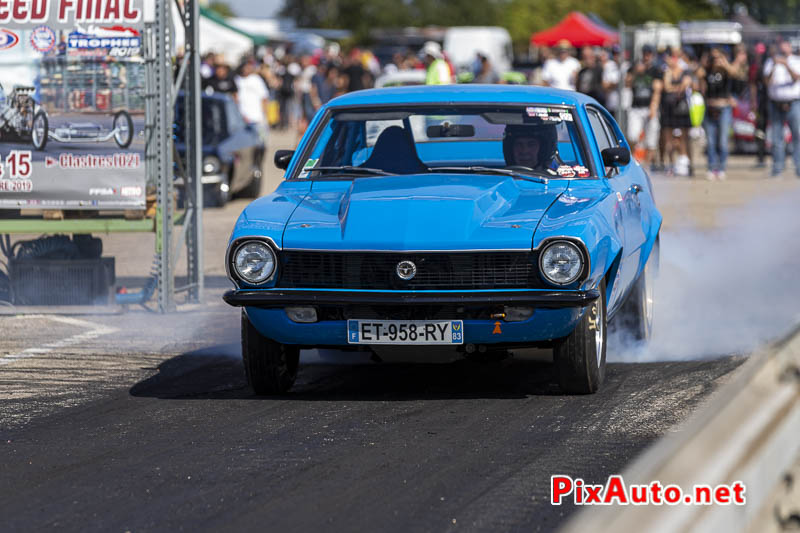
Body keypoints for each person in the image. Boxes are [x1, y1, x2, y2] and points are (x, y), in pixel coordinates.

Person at [698, 47, 746, 180]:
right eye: (714, 58)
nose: (716, 61)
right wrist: (705, 62)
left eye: (719, 57)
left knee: (723, 141)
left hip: (724, 109)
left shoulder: (727, 71)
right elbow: (698, 75)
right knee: (711, 141)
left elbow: (735, 72)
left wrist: (724, 62)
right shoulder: (707, 71)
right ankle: (711, 167)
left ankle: (721, 168)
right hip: (710, 108)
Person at [763, 40, 800, 177]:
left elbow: (796, 78)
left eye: (785, 46)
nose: (782, 49)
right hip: (776, 103)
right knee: (776, 136)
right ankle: (778, 167)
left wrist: (786, 65)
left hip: (794, 103)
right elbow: (766, 81)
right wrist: (774, 65)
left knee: (797, 135)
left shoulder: (796, 61)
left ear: (790, 47)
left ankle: (799, 167)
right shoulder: (770, 62)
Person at [626, 45, 663, 168]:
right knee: (632, 135)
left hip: (649, 106)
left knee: (651, 139)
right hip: (636, 107)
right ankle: (631, 162)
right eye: (645, 53)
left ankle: (646, 166)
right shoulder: (634, 67)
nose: (647, 56)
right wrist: (636, 72)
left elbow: (658, 89)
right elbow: (627, 83)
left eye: (649, 53)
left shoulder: (656, 70)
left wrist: (654, 106)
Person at [660, 49, 694, 176]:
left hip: (681, 108)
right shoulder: (666, 71)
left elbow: (684, 86)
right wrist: (676, 87)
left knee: (684, 138)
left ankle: (685, 162)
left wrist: (676, 88)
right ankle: (670, 164)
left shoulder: (684, 70)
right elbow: (666, 87)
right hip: (668, 108)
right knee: (668, 138)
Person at [235, 59, 270, 146]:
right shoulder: (237, 80)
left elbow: (264, 97)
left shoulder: (256, 79)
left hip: (257, 117)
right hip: (242, 118)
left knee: (261, 142)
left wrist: (264, 113)